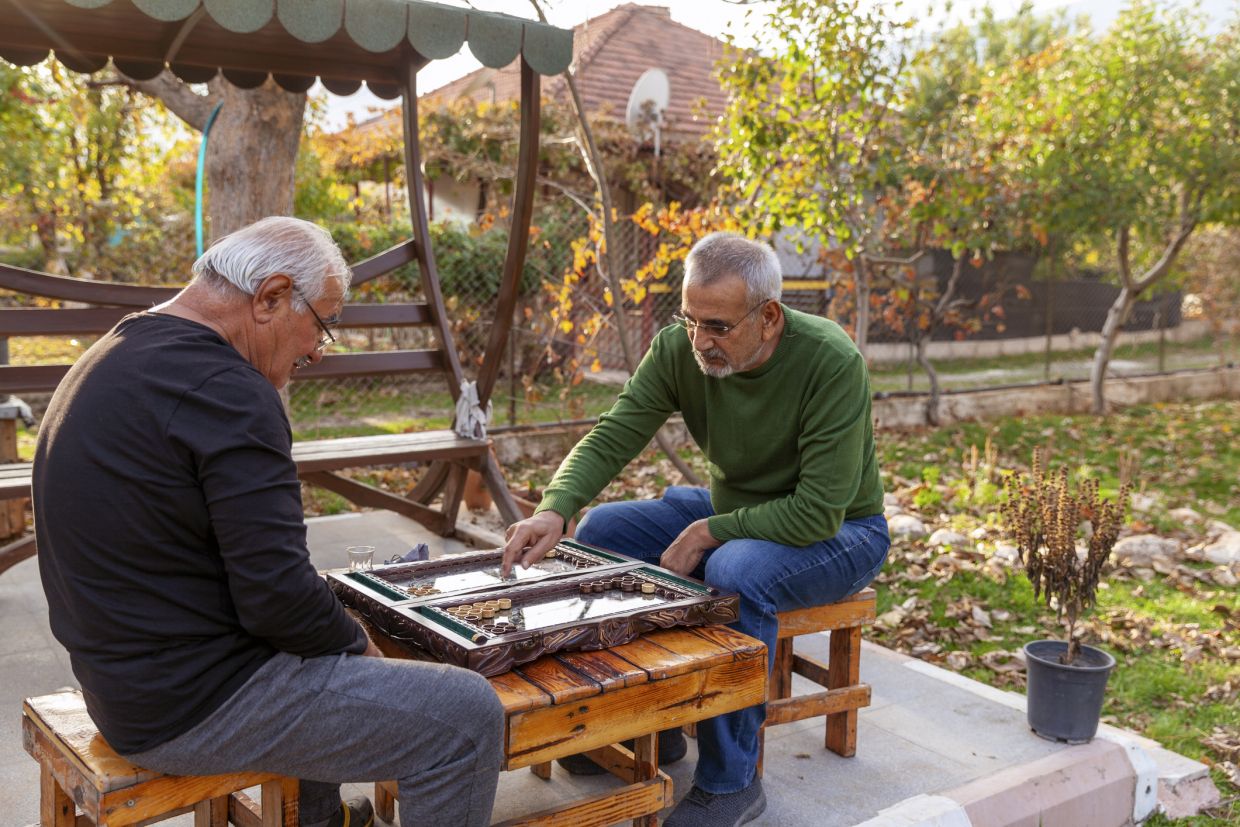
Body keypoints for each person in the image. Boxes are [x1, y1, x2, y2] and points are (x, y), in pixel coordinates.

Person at [33, 217, 503, 827]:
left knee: (326, 617)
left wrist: (333, 628)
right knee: (465, 718)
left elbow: (264, 583)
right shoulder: (231, 391)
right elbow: (276, 599)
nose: (316, 348)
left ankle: (319, 819)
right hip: (187, 705)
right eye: (323, 324)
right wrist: (360, 646)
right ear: (271, 296)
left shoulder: (118, 350)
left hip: (120, 681)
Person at [502, 231, 889, 827]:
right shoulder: (681, 350)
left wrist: (710, 531)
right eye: (689, 320)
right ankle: (651, 724)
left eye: (717, 327)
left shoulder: (828, 359)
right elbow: (615, 433)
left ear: (768, 316)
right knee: (604, 527)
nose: (699, 340)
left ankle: (731, 782)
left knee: (734, 570)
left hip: (842, 532)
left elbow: (817, 512)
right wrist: (555, 508)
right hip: (739, 510)